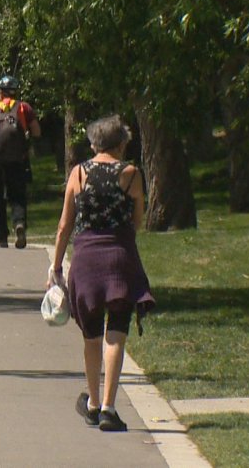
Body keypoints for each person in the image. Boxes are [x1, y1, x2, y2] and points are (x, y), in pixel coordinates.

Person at [48, 115, 153, 432]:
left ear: (94, 143)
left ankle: (92, 403)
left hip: (86, 259)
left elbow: (65, 225)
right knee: (116, 333)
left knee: (90, 335)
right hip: (120, 258)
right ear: (121, 143)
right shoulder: (131, 174)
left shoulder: (78, 173)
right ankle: (109, 407)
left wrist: (56, 267)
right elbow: (137, 221)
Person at [0, 75, 41, 248]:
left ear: (0, 92)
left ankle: (1, 237)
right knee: (18, 195)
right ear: (15, 90)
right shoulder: (24, 107)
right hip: (18, 160)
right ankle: (19, 223)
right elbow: (37, 131)